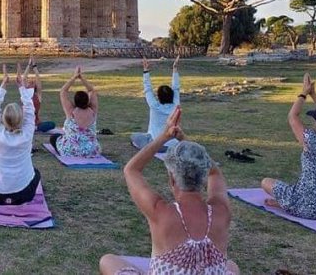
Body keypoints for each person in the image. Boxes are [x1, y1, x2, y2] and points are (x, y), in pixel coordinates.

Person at [100, 108, 239, 275]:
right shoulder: (221, 211)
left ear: (172, 179)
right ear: (204, 178)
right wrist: (185, 141)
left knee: (107, 260)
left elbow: (131, 170)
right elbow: (215, 173)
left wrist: (165, 136)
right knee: (231, 266)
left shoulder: (160, 212)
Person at [261, 73, 316, 220]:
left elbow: (292, 116)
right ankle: (285, 203)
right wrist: (314, 94)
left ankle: (285, 204)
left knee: (266, 182)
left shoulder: (312, 141)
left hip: (307, 207)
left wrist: (304, 93)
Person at [0, 63, 40, 205]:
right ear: (21, 119)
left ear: (3, 119)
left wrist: (4, 84)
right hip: (23, 195)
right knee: (36, 172)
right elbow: (30, 109)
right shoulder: (27, 133)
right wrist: (21, 87)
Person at [130, 56, 180, 151]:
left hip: (157, 145)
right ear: (172, 95)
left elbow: (148, 89)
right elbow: (176, 88)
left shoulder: (154, 106)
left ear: (159, 96)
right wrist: (175, 69)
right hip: (174, 145)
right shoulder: (176, 106)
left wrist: (146, 70)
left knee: (134, 136)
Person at [51, 66, 100, 157]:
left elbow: (63, 91)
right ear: (87, 100)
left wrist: (74, 77)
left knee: (54, 137)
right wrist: (82, 78)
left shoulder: (71, 111)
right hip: (91, 151)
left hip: (71, 151)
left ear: (75, 101)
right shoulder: (93, 110)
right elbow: (92, 90)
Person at [23, 56, 56, 132]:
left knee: (52, 124)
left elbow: (38, 78)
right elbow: (24, 78)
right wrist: (29, 65)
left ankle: (35, 128)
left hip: (35, 124)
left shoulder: (37, 96)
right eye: (30, 81)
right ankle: (32, 128)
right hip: (24, 123)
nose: (31, 81)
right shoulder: (25, 94)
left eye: (33, 81)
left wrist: (34, 66)